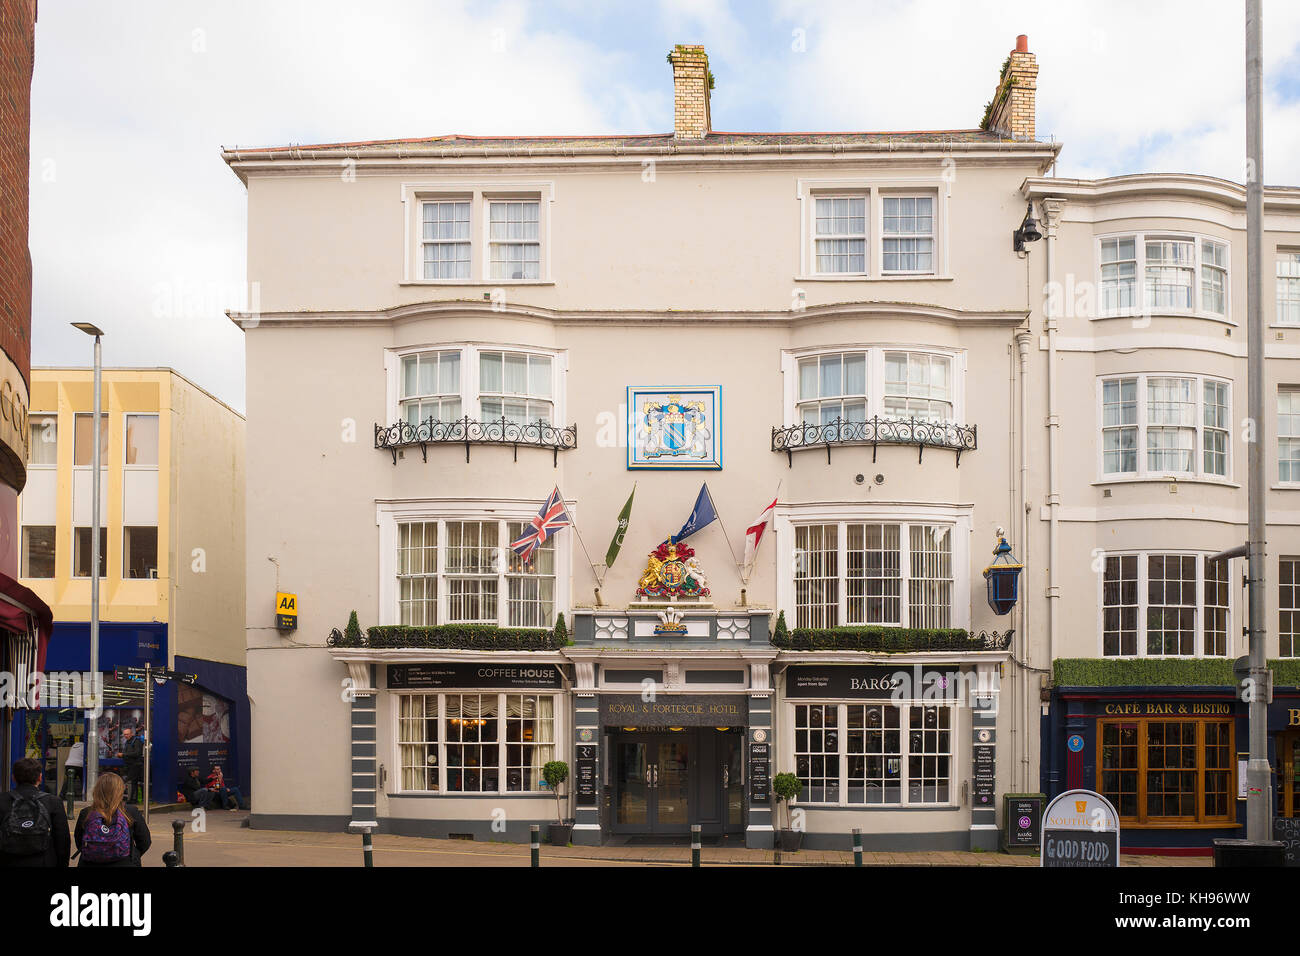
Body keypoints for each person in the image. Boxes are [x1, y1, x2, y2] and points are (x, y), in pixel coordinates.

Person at [0, 757, 71, 867]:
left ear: (13, 778)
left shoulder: (2, 800)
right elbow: (63, 841)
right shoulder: (53, 802)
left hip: (9, 860)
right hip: (44, 861)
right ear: (40, 778)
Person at [74, 772, 150, 867]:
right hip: (124, 862)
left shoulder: (86, 813)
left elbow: (79, 840)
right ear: (120, 791)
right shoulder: (131, 812)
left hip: (90, 862)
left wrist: (95, 852)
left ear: (97, 790)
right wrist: (132, 855)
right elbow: (145, 841)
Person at [119, 726, 144, 804]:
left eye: (127, 734)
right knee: (133, 782)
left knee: (130, 781)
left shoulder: (136, 741)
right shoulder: (127, 742)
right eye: (125, 735)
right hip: (129, 765)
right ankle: (133, 799)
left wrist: (123, 755)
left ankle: (130, 800)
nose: (126, 736)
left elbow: (137, 753)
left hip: (136, 765)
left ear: (131, 734)